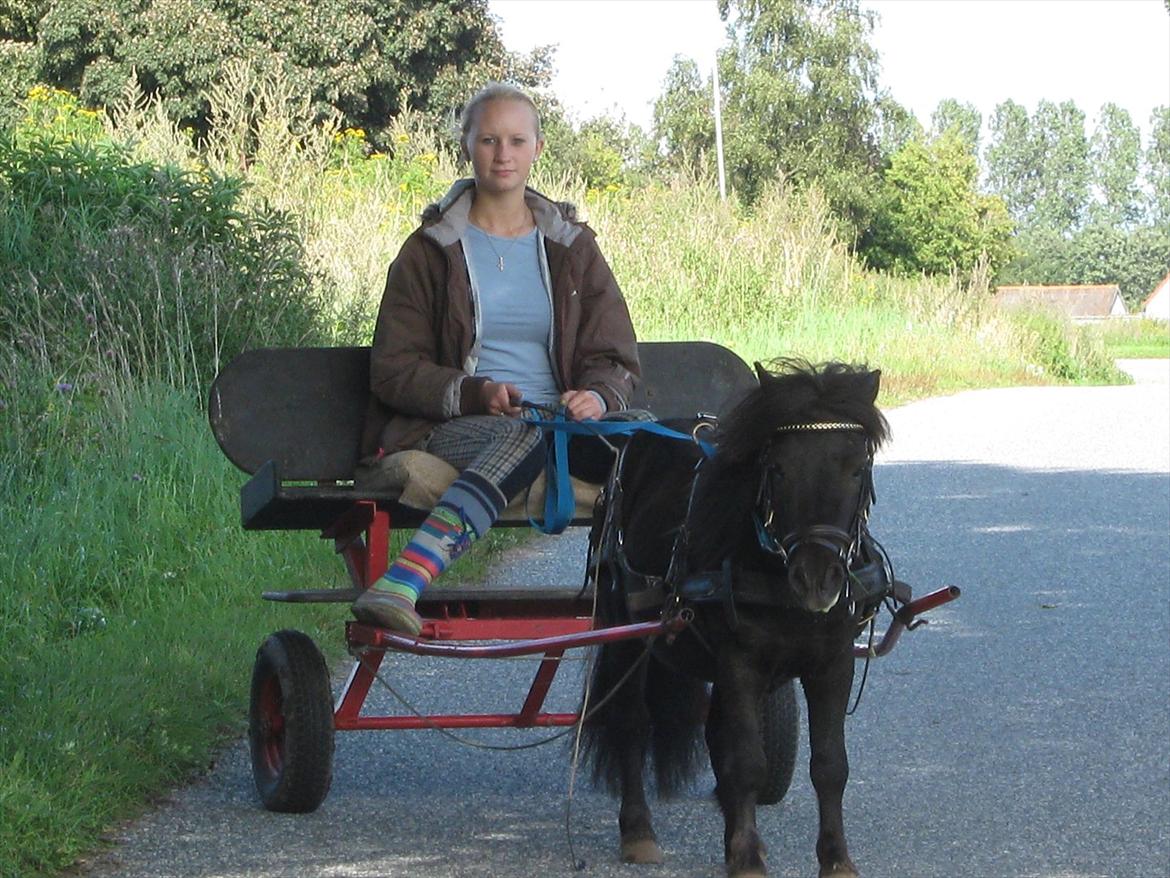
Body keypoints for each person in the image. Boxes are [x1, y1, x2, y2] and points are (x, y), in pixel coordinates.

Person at [353, 83, 645, 636]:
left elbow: (615, 355)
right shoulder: (429, 251)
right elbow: (392, 368)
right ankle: (405, 580)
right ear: (468, 146)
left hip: (560, 427)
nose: (503, 154)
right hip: (455, 426)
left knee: (657, 443)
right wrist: (475, 393)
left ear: (538, 147)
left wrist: (599, 396)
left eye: (516, 140)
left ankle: (672, 606)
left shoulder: (573, 247)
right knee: (525, 435)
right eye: (489, 139)